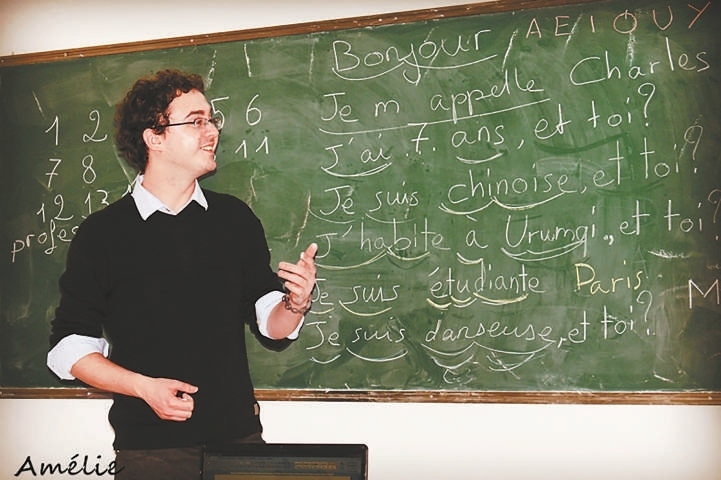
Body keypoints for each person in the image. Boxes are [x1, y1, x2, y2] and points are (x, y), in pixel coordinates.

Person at [47, 69, 317, 479]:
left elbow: (270, 323)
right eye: (196, 121)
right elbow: (69, 348)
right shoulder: (104, 233)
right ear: (154, 138)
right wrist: (144, 388)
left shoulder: (234, 219)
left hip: (239, 442)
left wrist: (295, 304)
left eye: (211, 120)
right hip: (151, 452)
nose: (212, 132)